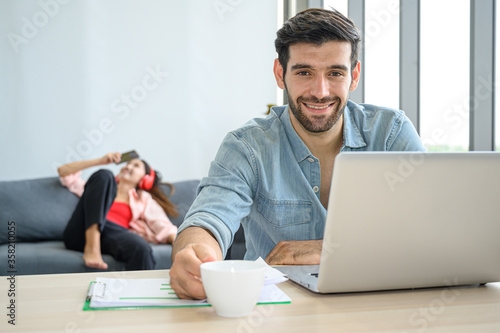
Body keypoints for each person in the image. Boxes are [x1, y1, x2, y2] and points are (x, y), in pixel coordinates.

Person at [170, 8, 426, 299]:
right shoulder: (247, 146)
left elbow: (430, 227)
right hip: (275, 313)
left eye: (335, 73)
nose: (320, 91)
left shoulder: (391, 133)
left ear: (353, 76)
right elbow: (208, 218)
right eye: (304, 72)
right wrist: (194, 253)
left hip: (382, 305)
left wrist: (325, 249)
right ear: (281, 74)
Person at [58, 152, 178, 270]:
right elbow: (63, 172)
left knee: (141, 248)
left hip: (111, 235)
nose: (128, 166)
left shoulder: (143, 199)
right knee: (105, 174)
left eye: (136, 166)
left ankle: (141, 289)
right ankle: (92, 247)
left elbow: (163, 226)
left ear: (145, 179)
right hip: (80, 234)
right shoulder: (100, 185)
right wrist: (100, 161)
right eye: (128, 163)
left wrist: (179, 244)